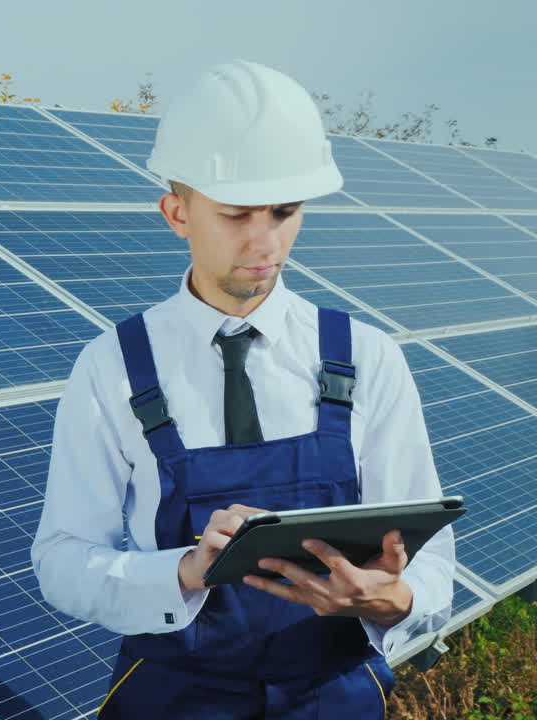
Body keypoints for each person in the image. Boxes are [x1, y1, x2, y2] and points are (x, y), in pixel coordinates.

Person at [31, 59, 456, 719]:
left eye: (285, 212)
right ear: (178, 213)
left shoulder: (368, 358)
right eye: (235, 214)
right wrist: (183, 572)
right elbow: (61, 560)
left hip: (334, 692)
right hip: (173, 693)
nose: (265, 241)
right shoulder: (112, 366)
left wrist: (391, 600)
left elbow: (430, 569)